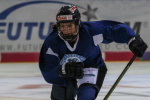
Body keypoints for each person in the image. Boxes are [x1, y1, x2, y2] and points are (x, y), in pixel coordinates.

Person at [39, 5, 148, 100]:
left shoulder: (91, 31)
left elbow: (114, 29)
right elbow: (47, 69)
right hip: (66, 72)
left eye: (69, 26)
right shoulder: (52, 42)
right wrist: (62, 70)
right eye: (63, 26)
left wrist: (131, 38)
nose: (66, 30)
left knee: (85, 96)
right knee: (60, 96)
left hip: (91, 67)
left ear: (77, 24)